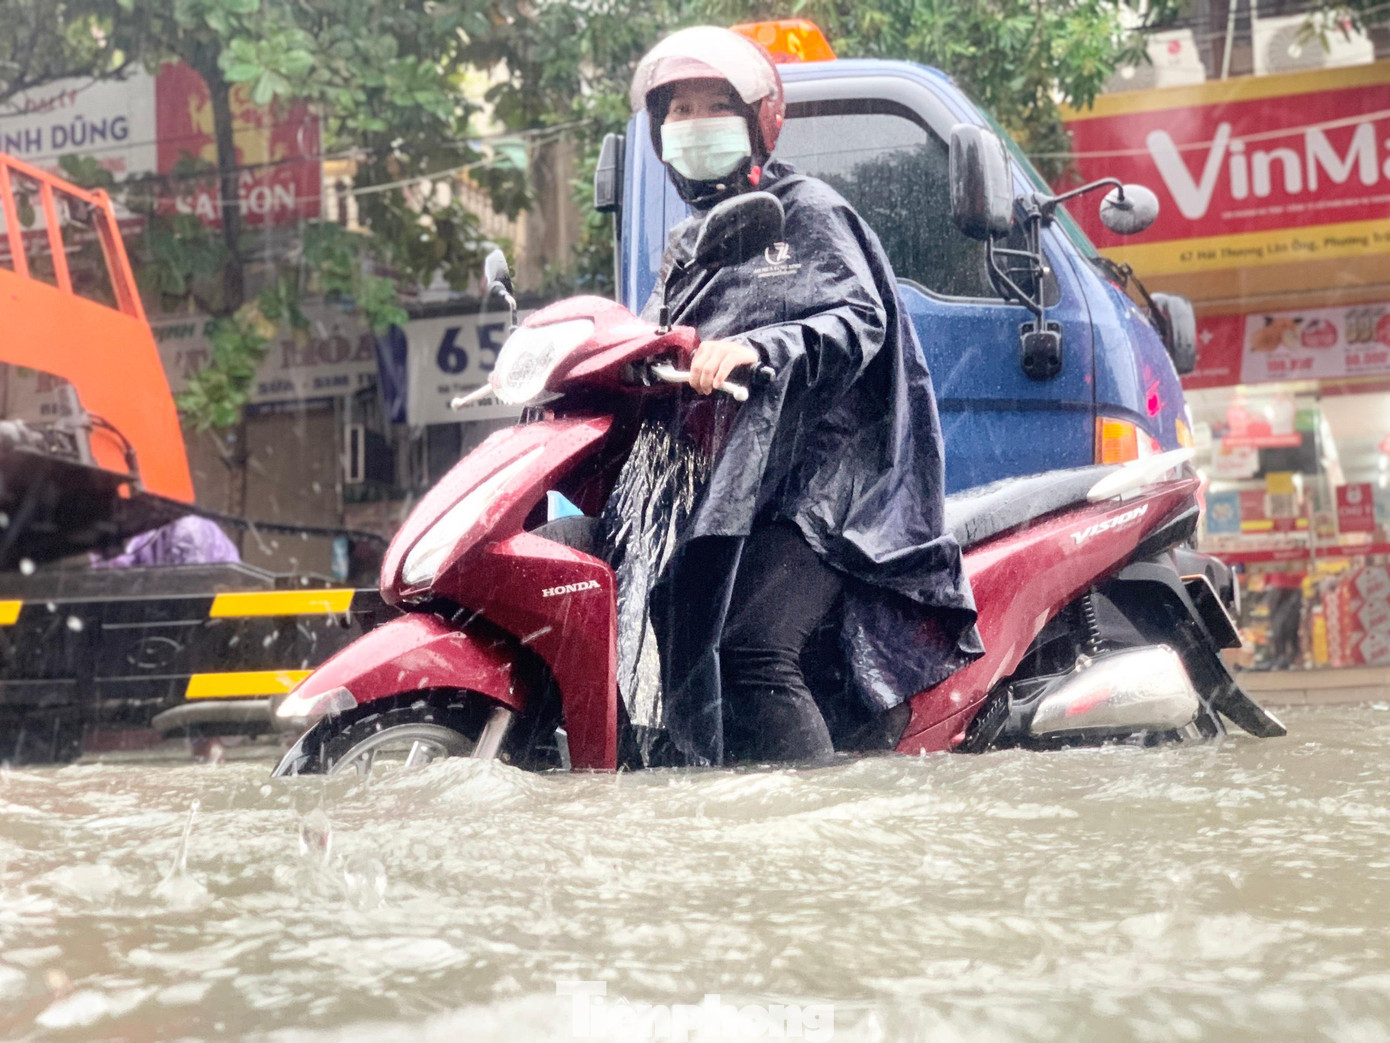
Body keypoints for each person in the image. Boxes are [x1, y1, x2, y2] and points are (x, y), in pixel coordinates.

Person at [606, 26, 981, 767]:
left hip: (824, 486)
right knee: (669, 624)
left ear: (757, 121)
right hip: (740, 487)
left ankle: (825, 829)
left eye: (713, 105)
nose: (692, 123)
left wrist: (760, 347)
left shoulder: (807, 210)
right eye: (676, 110)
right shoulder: (687, 247)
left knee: (749, 646)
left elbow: (858, 317)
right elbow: (653, 340)